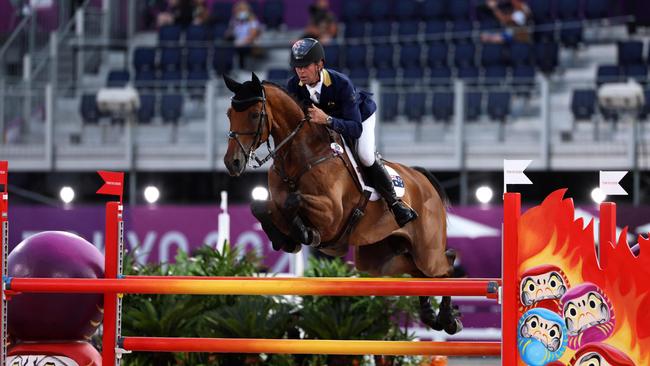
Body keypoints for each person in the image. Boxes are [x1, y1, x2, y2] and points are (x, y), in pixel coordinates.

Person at [286, 38, 418, 228]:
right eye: (297, 67)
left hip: (359, 119)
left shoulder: (341, 83)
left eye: (305, 66)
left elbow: (355, 129)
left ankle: (396, 204)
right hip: (325, 125)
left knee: (365, 156)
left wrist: (328, 120)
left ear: (320, 64)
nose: (300, 71)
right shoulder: (293, 86)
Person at [224, 1, 262, 68]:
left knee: (243, 48)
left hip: (248, 44)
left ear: (248, 11)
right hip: (236, 44)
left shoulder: (252, 20)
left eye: (243, 10)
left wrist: (243, 42)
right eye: (240, 9)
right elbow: (229, 33)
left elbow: (253, 35)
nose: (241, 11)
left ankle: (246, 68)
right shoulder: (233, 20)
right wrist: (229, 34)